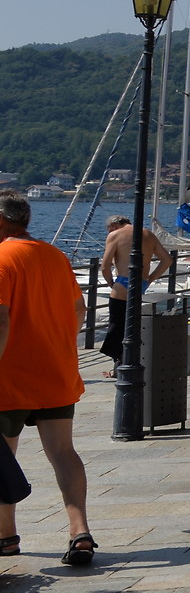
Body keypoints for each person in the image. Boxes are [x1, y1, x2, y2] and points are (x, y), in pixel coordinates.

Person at [0, 191, 96, 566]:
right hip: (55, 372)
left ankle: (7, 536)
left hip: (10, 376)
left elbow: (2, 320)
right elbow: (79, 309)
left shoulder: (2, 258)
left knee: (3, 456)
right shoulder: (55, 256)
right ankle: (80, 530)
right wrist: (57, 345)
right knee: (63, 453)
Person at [97, 216, 167, 380]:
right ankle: (124, 365)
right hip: (140, 284)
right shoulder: (148, 234)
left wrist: (111, 283)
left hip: (122, 283)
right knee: (131, 328)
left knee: (116, 327)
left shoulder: (115, 235)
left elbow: (105, 266)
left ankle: (119, 367)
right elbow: (167, 260)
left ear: (113, 225)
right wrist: (150, 279)